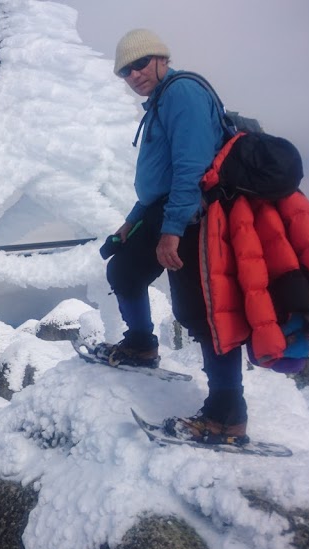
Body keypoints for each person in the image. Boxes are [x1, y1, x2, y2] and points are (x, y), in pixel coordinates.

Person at [99, 29, 248, 445]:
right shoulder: (161, 102)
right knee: (124, 269)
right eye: (125, 71)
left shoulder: (182, 94)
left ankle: (226, 413)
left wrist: (172, 232)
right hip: (163, 210)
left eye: (140, 64)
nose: (133, 75)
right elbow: (158, 179)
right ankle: (141, 345)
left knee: (200, 310)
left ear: (161, 59)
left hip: (194, 215)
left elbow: (190, 168)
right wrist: (132, 222)